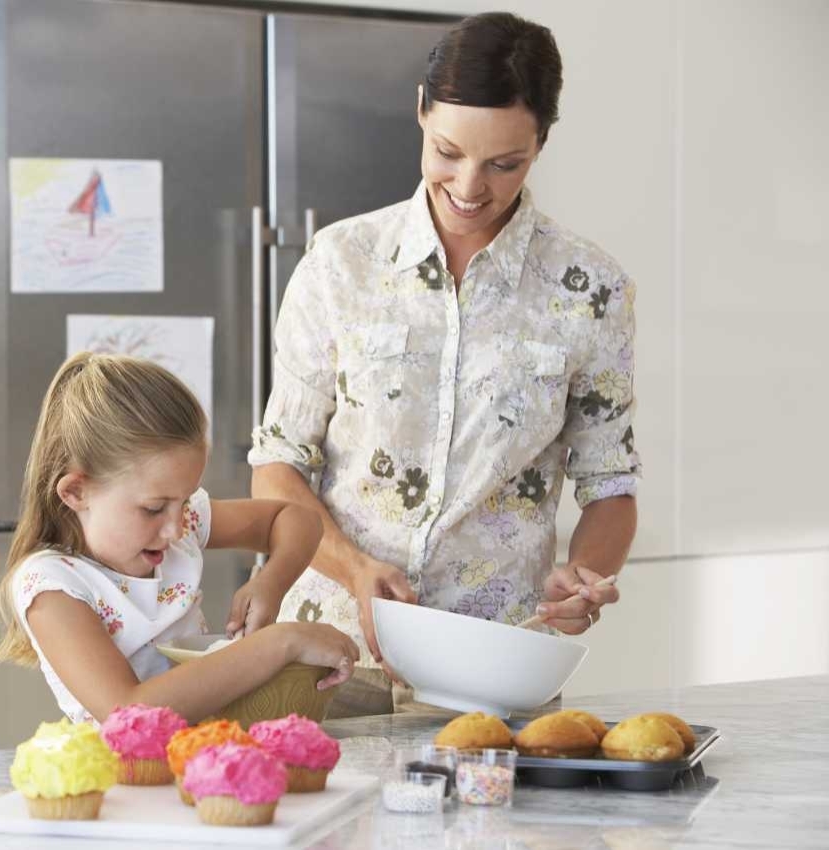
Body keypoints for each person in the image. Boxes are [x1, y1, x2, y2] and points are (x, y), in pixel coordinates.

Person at [249, 11, 641, 717]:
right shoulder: (340, 264)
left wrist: (586, 577)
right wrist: (356, 570)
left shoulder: (592, 288)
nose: (469, 185)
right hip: (323, 657)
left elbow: (610, 482)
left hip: (493, 668)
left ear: (541, 143)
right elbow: (277, 465)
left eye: (504, 163)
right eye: (447, 151)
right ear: (421, 113)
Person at [0, 352, 359, 724]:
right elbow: (129, 714)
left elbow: (296, 519)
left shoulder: (178, 523)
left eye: (184, 501)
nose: (177, 528)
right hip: (123, 778)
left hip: (203, 758)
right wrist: (281, 642)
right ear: (75, 493)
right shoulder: (54, 586)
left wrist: (271, 582)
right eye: (153, 508)